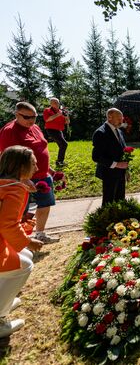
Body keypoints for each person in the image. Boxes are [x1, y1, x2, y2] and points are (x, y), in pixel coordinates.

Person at [0, 102, 60, 243]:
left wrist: (50, 170)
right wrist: (23, 179)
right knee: (20, 210)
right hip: (23, 177)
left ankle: (40, 234)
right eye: (27, 117)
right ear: (17, 114)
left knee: (45, 204)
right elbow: (9, 158)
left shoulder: (35, 127)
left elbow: (41, 151)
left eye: (34, 117)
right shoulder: (9, 131)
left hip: (42, 174)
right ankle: (18, 240)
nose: (31, 121)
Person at [0, 145, 43, 338]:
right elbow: (7, 225)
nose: (37, 166)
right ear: (21, 166)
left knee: (24, 256)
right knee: (24, 265)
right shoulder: (14, 189)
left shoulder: (6, 184)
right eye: (33, 163)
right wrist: (29, 241)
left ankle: (5, 298)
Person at [92, 108, 129, 207]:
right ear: (110, 117)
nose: (122, 121)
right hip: (109, 173)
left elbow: (122, 151)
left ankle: (120, 221)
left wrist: (126, 170)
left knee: (120, 200)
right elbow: (96, 157)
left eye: (122, 119)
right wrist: (116, 164)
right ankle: (107, 221)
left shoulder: (119, 131)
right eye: (119, 119)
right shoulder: (101, 132)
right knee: (109, 202)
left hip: (120, 173)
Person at [43, 97, 69, 166]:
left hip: (59, 130)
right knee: (64, 144)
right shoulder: (47, 110)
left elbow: (67, 122)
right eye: (54, 103)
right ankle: (59, 161)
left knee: (62, 145)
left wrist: (66, 116)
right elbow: (47, 120)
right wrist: (58, 114)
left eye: (57, 102)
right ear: (51, 104)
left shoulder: (61, 111)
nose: (56, 104)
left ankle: (59, 161)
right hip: (51, 130)